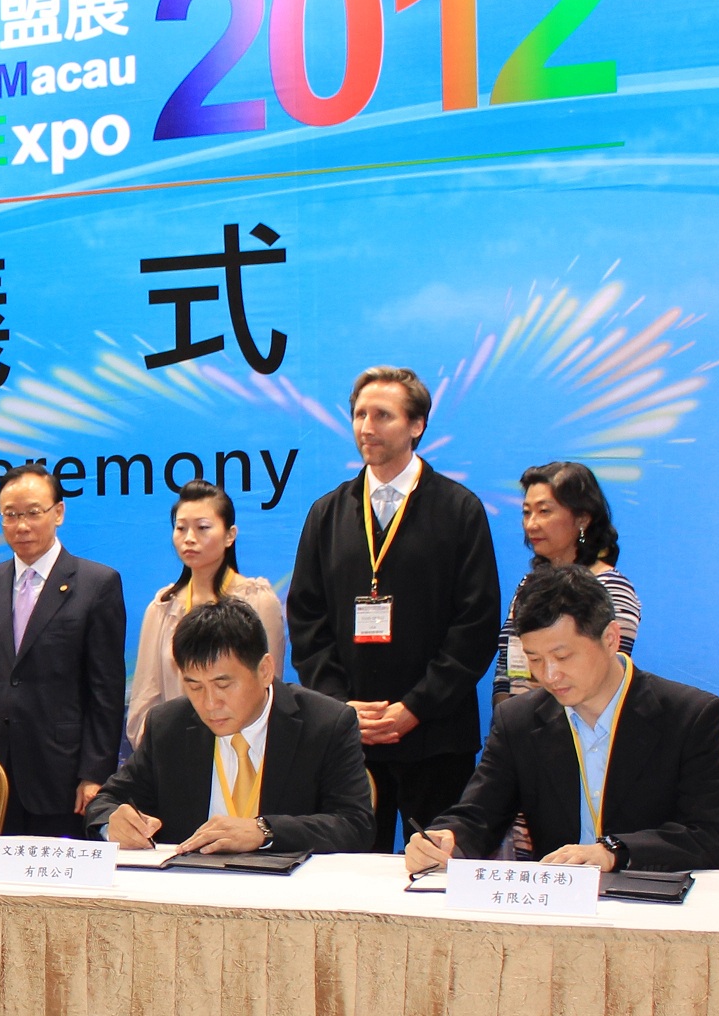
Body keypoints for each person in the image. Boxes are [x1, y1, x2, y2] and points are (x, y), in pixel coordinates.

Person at [287, 366, 500, 851]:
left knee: (437, 870)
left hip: (436, 734)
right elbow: (306, 620)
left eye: (382, 415)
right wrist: (339, 707)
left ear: (416, 425)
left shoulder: (458, 509)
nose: (367, 427)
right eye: (360, 414)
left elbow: (476, 623)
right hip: (349, 737)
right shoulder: (327, 513)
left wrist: (416, 708)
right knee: (349, 872)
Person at [407, 565, 719, 874]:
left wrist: (614, 852)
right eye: (535, 659)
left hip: (651, 899)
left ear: (610, 639)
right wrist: (447, 839)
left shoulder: (690, 716)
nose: (549, 675)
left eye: (563, 656)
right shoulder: (518, 720)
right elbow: (479, 816)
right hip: (557, 903)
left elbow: (712, 834)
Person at [89, 598, 370, 854]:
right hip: (192, 886)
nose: (210, 703)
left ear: (264, 670)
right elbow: (105, 803)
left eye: (223, 685)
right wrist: (113, 824)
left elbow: (355, 825)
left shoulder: (326, 724)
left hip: (288, 887)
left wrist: (265, 831)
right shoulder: (169, 725)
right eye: (194, 686)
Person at [0, 463, 127, 838]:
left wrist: (94, 774)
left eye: (32, 513)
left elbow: (105, 692)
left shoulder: (97, 584)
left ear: (58, 512)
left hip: (59, 772)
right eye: (10, 515)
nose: (21, 526)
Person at [123, 480, 285, 751]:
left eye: (202, 528)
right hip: (178, 752)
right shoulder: (163, 608)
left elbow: (270, 690)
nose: (189, 538)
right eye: (181, 528)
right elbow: (145, 700)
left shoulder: (258, 601)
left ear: (230, 535)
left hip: (246, 752)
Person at [496, 462, 640, 701]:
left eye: (544, 511)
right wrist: (504, 716)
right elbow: (506, 668)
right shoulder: (529, 585)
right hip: (519, 719)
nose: (531, 524)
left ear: (582, 518)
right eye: (527, 512)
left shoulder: (610, 587)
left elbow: (605, 675)